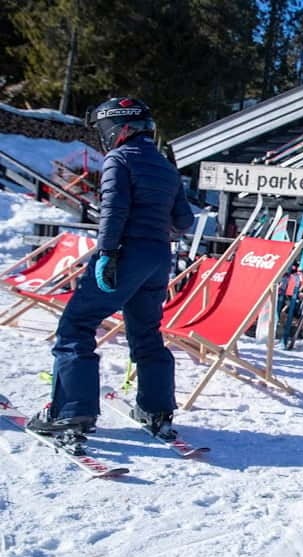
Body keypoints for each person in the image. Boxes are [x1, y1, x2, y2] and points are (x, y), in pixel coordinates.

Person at [27, 97, 195, 440]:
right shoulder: (166, 166)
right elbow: (184, 220)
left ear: (119, 127)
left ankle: (71, 414)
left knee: (76, 325)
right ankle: (156, 409)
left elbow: (113, 210)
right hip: (158, 258)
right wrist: (155, 228)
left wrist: (106, 252)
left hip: (124, 254)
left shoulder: (120, 158)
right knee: (147, 333)